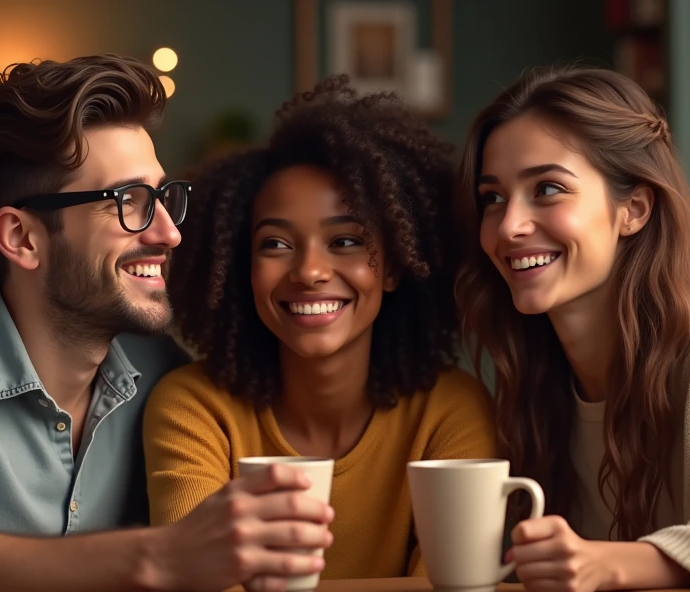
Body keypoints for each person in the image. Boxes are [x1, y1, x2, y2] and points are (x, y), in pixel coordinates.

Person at [0, 54, 334, 592]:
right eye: (129, 202)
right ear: (22, 238)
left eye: (161, 198)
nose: (167, 234)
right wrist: (160, 558)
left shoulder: (167, 381)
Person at [452, 65, 690, 592]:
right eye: (492, 197)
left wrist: (606, 564)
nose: (509, 225)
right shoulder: (534, 386)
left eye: (547, 189)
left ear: (633, 209)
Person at [142, 75, 497, 580]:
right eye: (276, 244)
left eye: (346, 241)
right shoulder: (195, 409)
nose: (309, 271)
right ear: (242, 268)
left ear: (393, 265)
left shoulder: (451, 412)